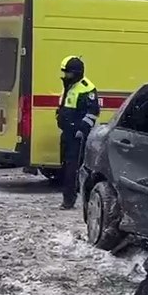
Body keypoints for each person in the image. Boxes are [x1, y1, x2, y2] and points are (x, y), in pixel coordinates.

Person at [56, 55, 100, 210]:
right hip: (67, 133)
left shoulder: (87, 88)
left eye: (68, 72)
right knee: (65, 165)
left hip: (77, 135)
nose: (65, 76)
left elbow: (93, 112)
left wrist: (82, 129)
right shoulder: (69, 86)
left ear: (76, 72)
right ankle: (69, 195)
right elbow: (63, 106)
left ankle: (69, 199)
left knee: (73, 167)